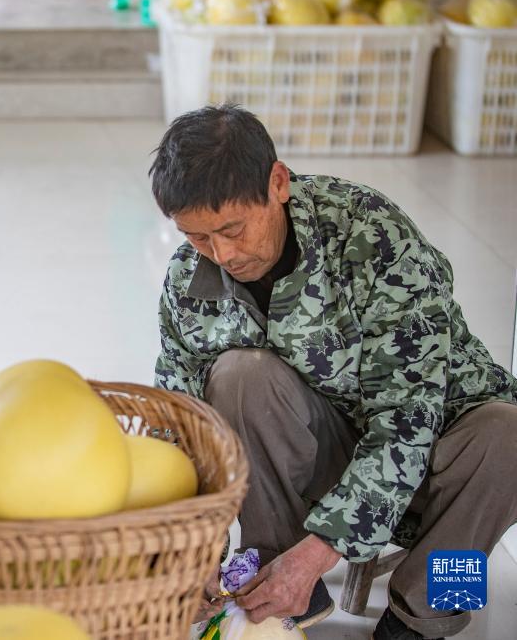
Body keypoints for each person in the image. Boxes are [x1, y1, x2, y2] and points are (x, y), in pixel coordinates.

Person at [149, 105, 517, 640]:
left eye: (232, 229)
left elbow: (406, 421)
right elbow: (178, 426)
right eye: (197, 236)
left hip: (441, 460)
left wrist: (322, 550)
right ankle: (275, 578)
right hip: (324, 456)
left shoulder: (373, 236)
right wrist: (193, 545)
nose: (221, 254)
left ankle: (427, 618)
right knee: (240, 377)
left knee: (509, 436)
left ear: (278, 184)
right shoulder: (188, 279)